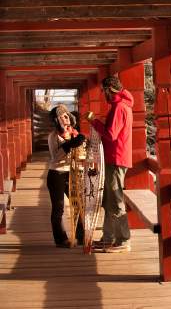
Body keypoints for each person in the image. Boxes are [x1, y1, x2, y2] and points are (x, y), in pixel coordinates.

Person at [85, 75, 134, 253]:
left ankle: (123, 240)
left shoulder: (120, 108)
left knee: (116, 200)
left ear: (109, 89)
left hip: (116, 158)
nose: (102, 94)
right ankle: (108, 238)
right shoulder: (119, 106)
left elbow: (111, 134)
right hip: (114, 158)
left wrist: (94, 121)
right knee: (109, 200)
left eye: (103, 91)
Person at [47, 104, 86, 248]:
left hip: (72, 172)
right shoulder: (53, 136)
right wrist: (69, 145)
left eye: (66, 115)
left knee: (78, 204)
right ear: (56, 120)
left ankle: (81, 236)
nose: (65, 117)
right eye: (61, 116)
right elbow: (55, 157)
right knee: (58, 207)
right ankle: (60, 239)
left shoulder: (74, 133)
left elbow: (80, 155)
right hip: (56, 174)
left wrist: (78, 143)